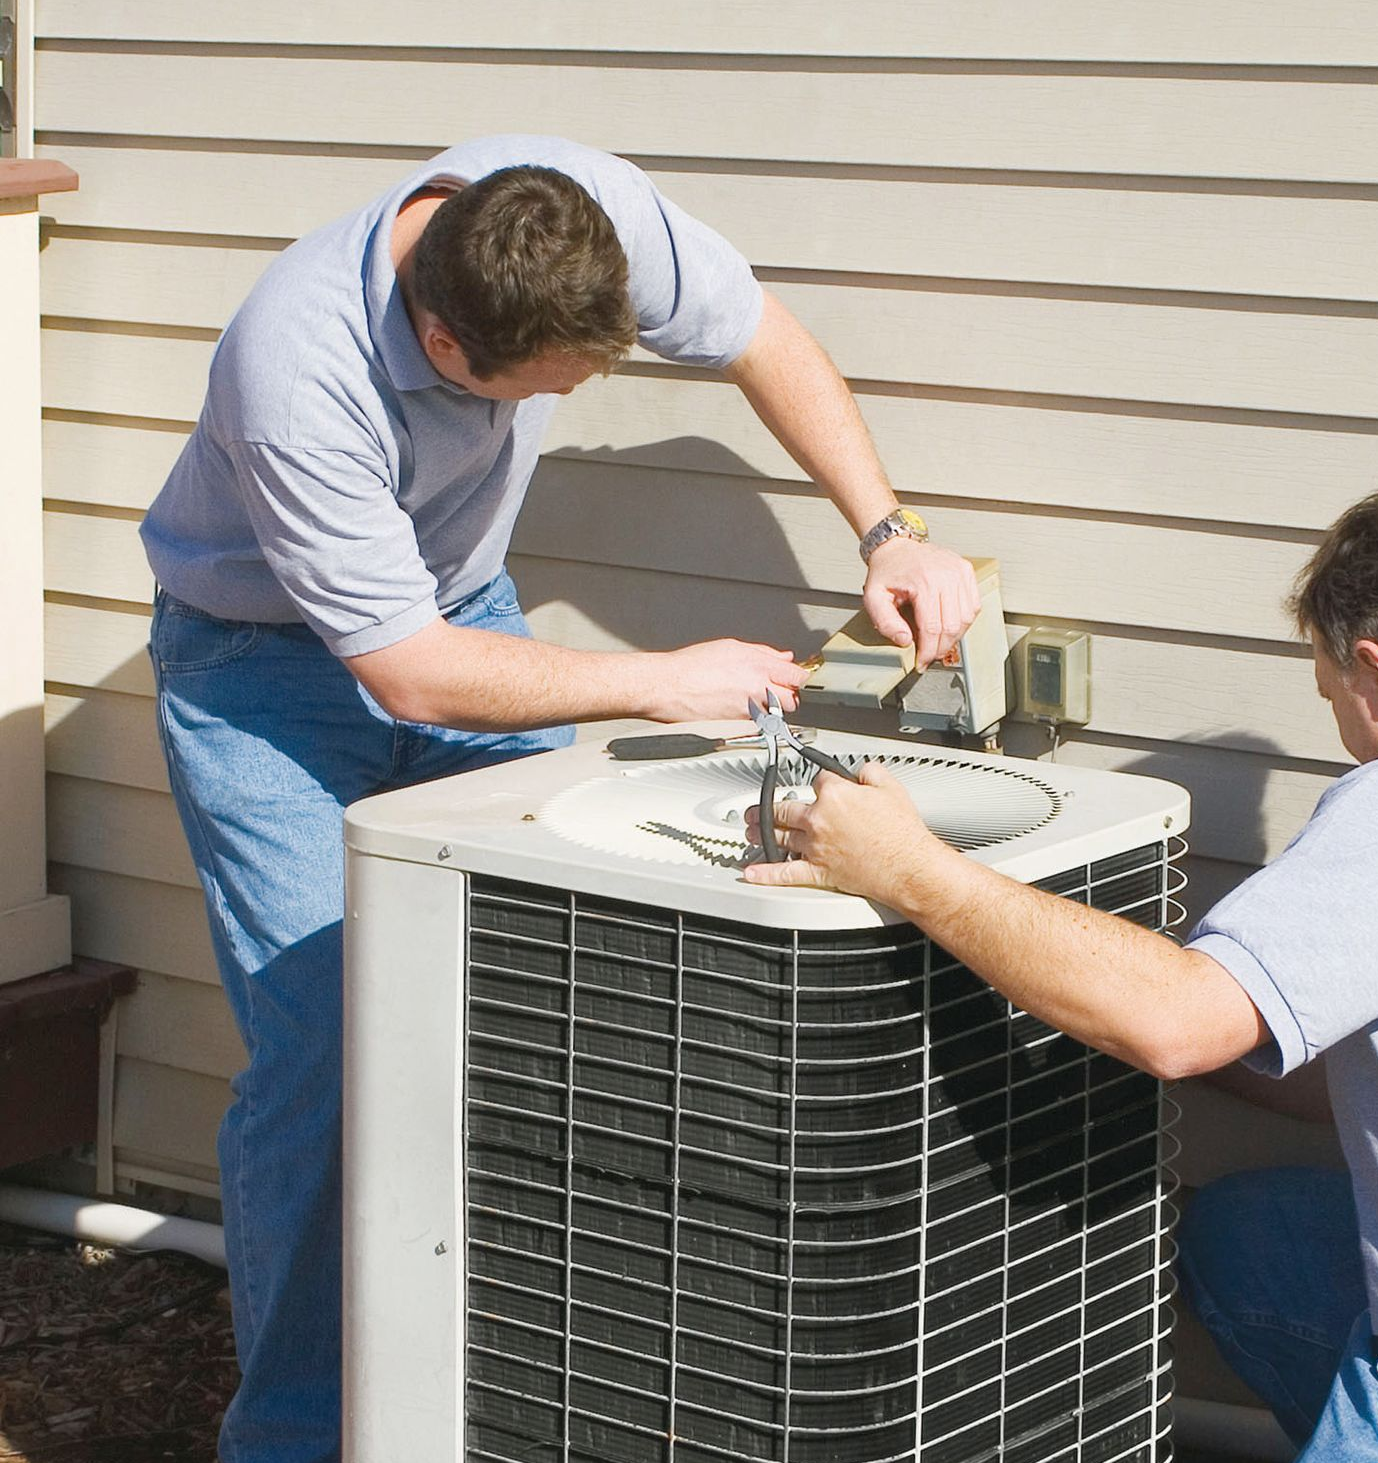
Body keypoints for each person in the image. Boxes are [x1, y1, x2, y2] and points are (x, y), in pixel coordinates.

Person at [141, 134, 980, 1463]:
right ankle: (300, 1435)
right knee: (329, 1039)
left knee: (536, 997)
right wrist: (654, 681)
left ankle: (509, 1400)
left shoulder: (571, 215)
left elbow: (761, 332)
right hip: (271, 673)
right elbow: (407, 673)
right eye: (548, 387)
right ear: (440, 340)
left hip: (457, 618)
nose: (573, 397)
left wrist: (888, 529)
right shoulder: (296, 370)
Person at [745, 478, 1378, 1461]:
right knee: (1242, 1238)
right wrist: (1130, 1011)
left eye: (1332, 691)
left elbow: (1174, 1022)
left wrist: (915, 873)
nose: (1340, 718)